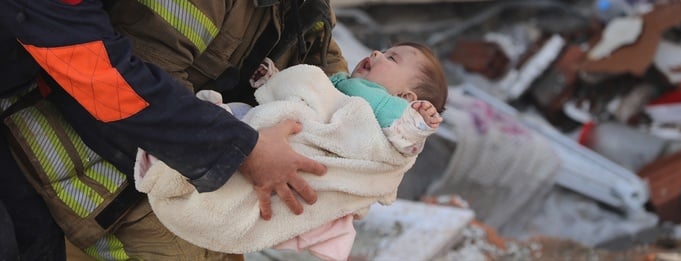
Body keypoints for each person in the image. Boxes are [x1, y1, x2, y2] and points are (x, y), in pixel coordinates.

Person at [6, 0, 420, 259]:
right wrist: (245, 152)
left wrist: (370, 142)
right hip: (100, 171)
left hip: (191, 155)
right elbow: (139, 83)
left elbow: (318, 67)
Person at [134, 43, 448, 260]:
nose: (377, 53)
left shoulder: (388, 105)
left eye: (392, 59)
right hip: (291, 134)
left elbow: (402, 142)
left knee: (245, 121)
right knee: (247, 114)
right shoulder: (341, 83)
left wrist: (417, 122)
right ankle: (205, 141)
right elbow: (307, 94)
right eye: (383, 49)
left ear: (406, 95)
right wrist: (275, 81)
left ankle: (193, 152)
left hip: (308, 146)